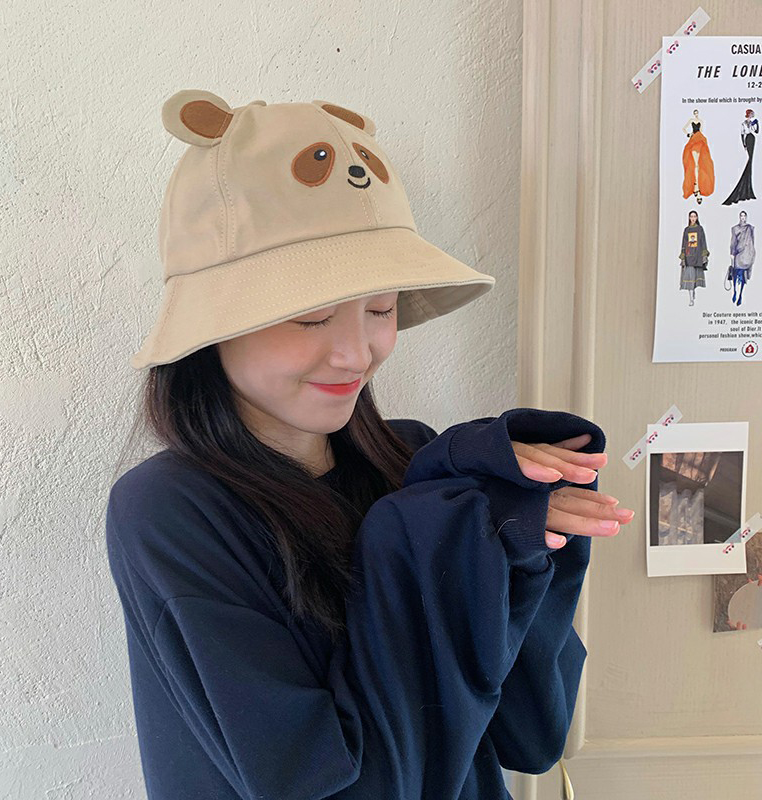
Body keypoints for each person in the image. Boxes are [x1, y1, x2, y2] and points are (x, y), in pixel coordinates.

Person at [106, 89, 633, 799]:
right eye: (312, 317)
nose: (357, 353)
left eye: (381, 309)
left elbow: (533, 734)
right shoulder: (170, 511)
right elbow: (321, 782)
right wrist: (424, 536)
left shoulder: (418, 463)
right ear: (213, 325)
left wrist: (517, 554)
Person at [723, 109, 758, 206]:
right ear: (748, 114)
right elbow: (742, 134)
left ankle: (748, 187)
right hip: (747, 139)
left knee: (750, 161)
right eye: (751, 114)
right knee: (749, 161)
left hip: (752, 138)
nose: (752, 115)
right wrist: (744, 144)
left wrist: (756, 124)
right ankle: (745, 187)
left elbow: (756, 131)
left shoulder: (752, 122)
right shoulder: (743, 124)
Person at [681, 109, 715, 204]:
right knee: (695, 165)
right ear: (694, 114)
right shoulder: (691, 120)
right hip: (694, 140)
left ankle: (697, 187)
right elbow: (684, 128)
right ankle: (696, 187)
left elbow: (701, 131)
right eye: (695, 113)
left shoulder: (701, 121)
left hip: (699, 140)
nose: (696, 114)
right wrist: (688, 134)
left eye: (697, 113)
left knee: (698, 165)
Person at [679, 209, 709, 306]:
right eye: (691, 216)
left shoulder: (700, 229)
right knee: (690, 277)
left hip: (698, 256)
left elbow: (703, 241)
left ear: (697, 218)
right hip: (689, 257)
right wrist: (683, 255)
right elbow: (684, 243)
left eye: (694, 216)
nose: (693, 218)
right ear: (689, 218)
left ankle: (693, 293)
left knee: (695, 277)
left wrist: (704, 254)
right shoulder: (686, 230)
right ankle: (691, 299)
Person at [728, 210, 755, 306]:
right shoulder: (735, 228)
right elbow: (733, 242)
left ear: (746, 217)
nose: (743, 218)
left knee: (743, 277)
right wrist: (732, 253)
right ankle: (735, 291)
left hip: (746, 254)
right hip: (738, 253)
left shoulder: (750, 228)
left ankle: (740, 295)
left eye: (744, 216)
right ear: (739, 217)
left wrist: (751, 253)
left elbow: (752, 241)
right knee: (735, 274)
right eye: (741, 216)